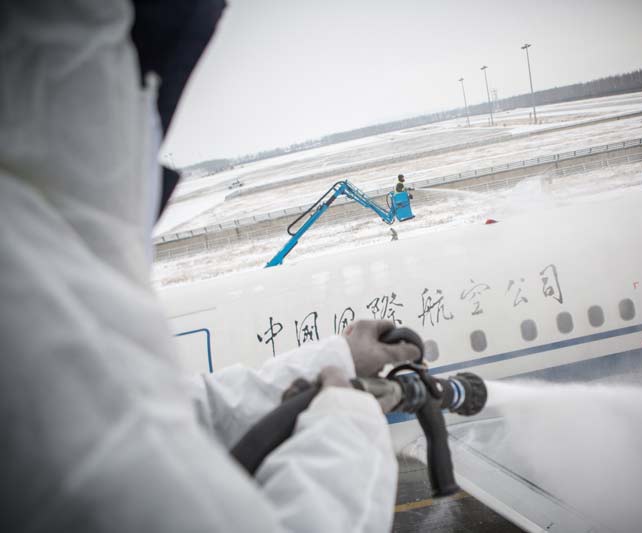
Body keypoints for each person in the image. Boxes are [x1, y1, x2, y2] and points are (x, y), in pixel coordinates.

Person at [0, 1, 418, 531]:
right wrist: (345, 430)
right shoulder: (24, 305)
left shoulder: (42, 243)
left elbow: (180, 411)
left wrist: (334, 357)